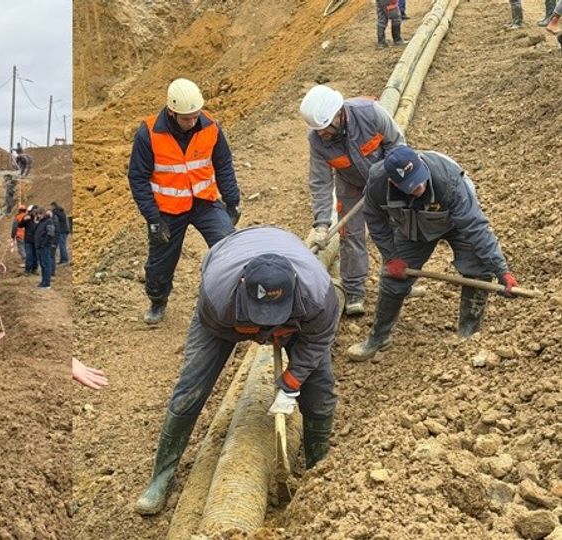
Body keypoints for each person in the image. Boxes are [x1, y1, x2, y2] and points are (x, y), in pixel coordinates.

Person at [135, 227, 339, 515]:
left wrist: (292, 381)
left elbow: (318, 339)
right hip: (226, 311)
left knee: (320, 394)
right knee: (190, 390)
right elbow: (222, 331)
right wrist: (260, 332)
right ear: (243, 286)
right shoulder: (218, 297)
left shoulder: (317, 294)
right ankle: (161, 478)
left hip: (297, 317)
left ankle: (319, 471)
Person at [347, 146, 519, 361]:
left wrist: (501, 270)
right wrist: (391, 256)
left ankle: (468, 336)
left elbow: (476, 227)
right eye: (411, 185)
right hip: (413, 226)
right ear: (393, 182)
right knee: (393, 279)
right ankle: (378, 338)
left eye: (420, 179)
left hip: (456, 222)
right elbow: (374, 219)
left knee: (477, 271)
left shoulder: (448, 182)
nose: (419, 186)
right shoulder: (378, 183)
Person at [128, 78, 241, 325]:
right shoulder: (148, 133)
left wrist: (232, 201)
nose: (192, 122)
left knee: (230, 245)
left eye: (195, 116)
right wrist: (153, 220)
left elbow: (223, 165)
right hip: (167, 210)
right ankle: (158, 301)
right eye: (186, 118)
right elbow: (138, 178)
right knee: (160, 263)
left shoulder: (210, 126)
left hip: (204, 203)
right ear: (172, 112)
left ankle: (236, 299)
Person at [299, 84, 406, 316]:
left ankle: (403, 278)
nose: (321, 133)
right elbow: (320, 181)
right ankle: (354, 290)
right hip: (350, 185)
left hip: (386, 178)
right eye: (317, 129)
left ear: (339, 114)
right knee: (351, 236)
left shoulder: (370, 113)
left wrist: (387, 178)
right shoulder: (317, 139)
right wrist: (321, 223)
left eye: (325, 127)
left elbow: (397, 144)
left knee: (395, 228)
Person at [34, 208, 57, 289]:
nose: (37, 216)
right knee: (43, 265)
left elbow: (50, 234)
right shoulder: (41, 222)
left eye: (38, 215)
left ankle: (47, 283)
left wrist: (44, 244)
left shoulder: (49, 221)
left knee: (46, 264)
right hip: (40, 247)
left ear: (42, 214)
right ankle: (43, 281)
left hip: (44, 247)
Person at [20, 204, 38, 274]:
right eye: (33, 211)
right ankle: (28, 270)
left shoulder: (38, 218)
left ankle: (34, 269)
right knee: (29, 256)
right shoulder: (27, 218)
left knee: (35, 256)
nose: (34, 212)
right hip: (28, 240)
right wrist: (24, 220)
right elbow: (20, 225)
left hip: (36, 240)